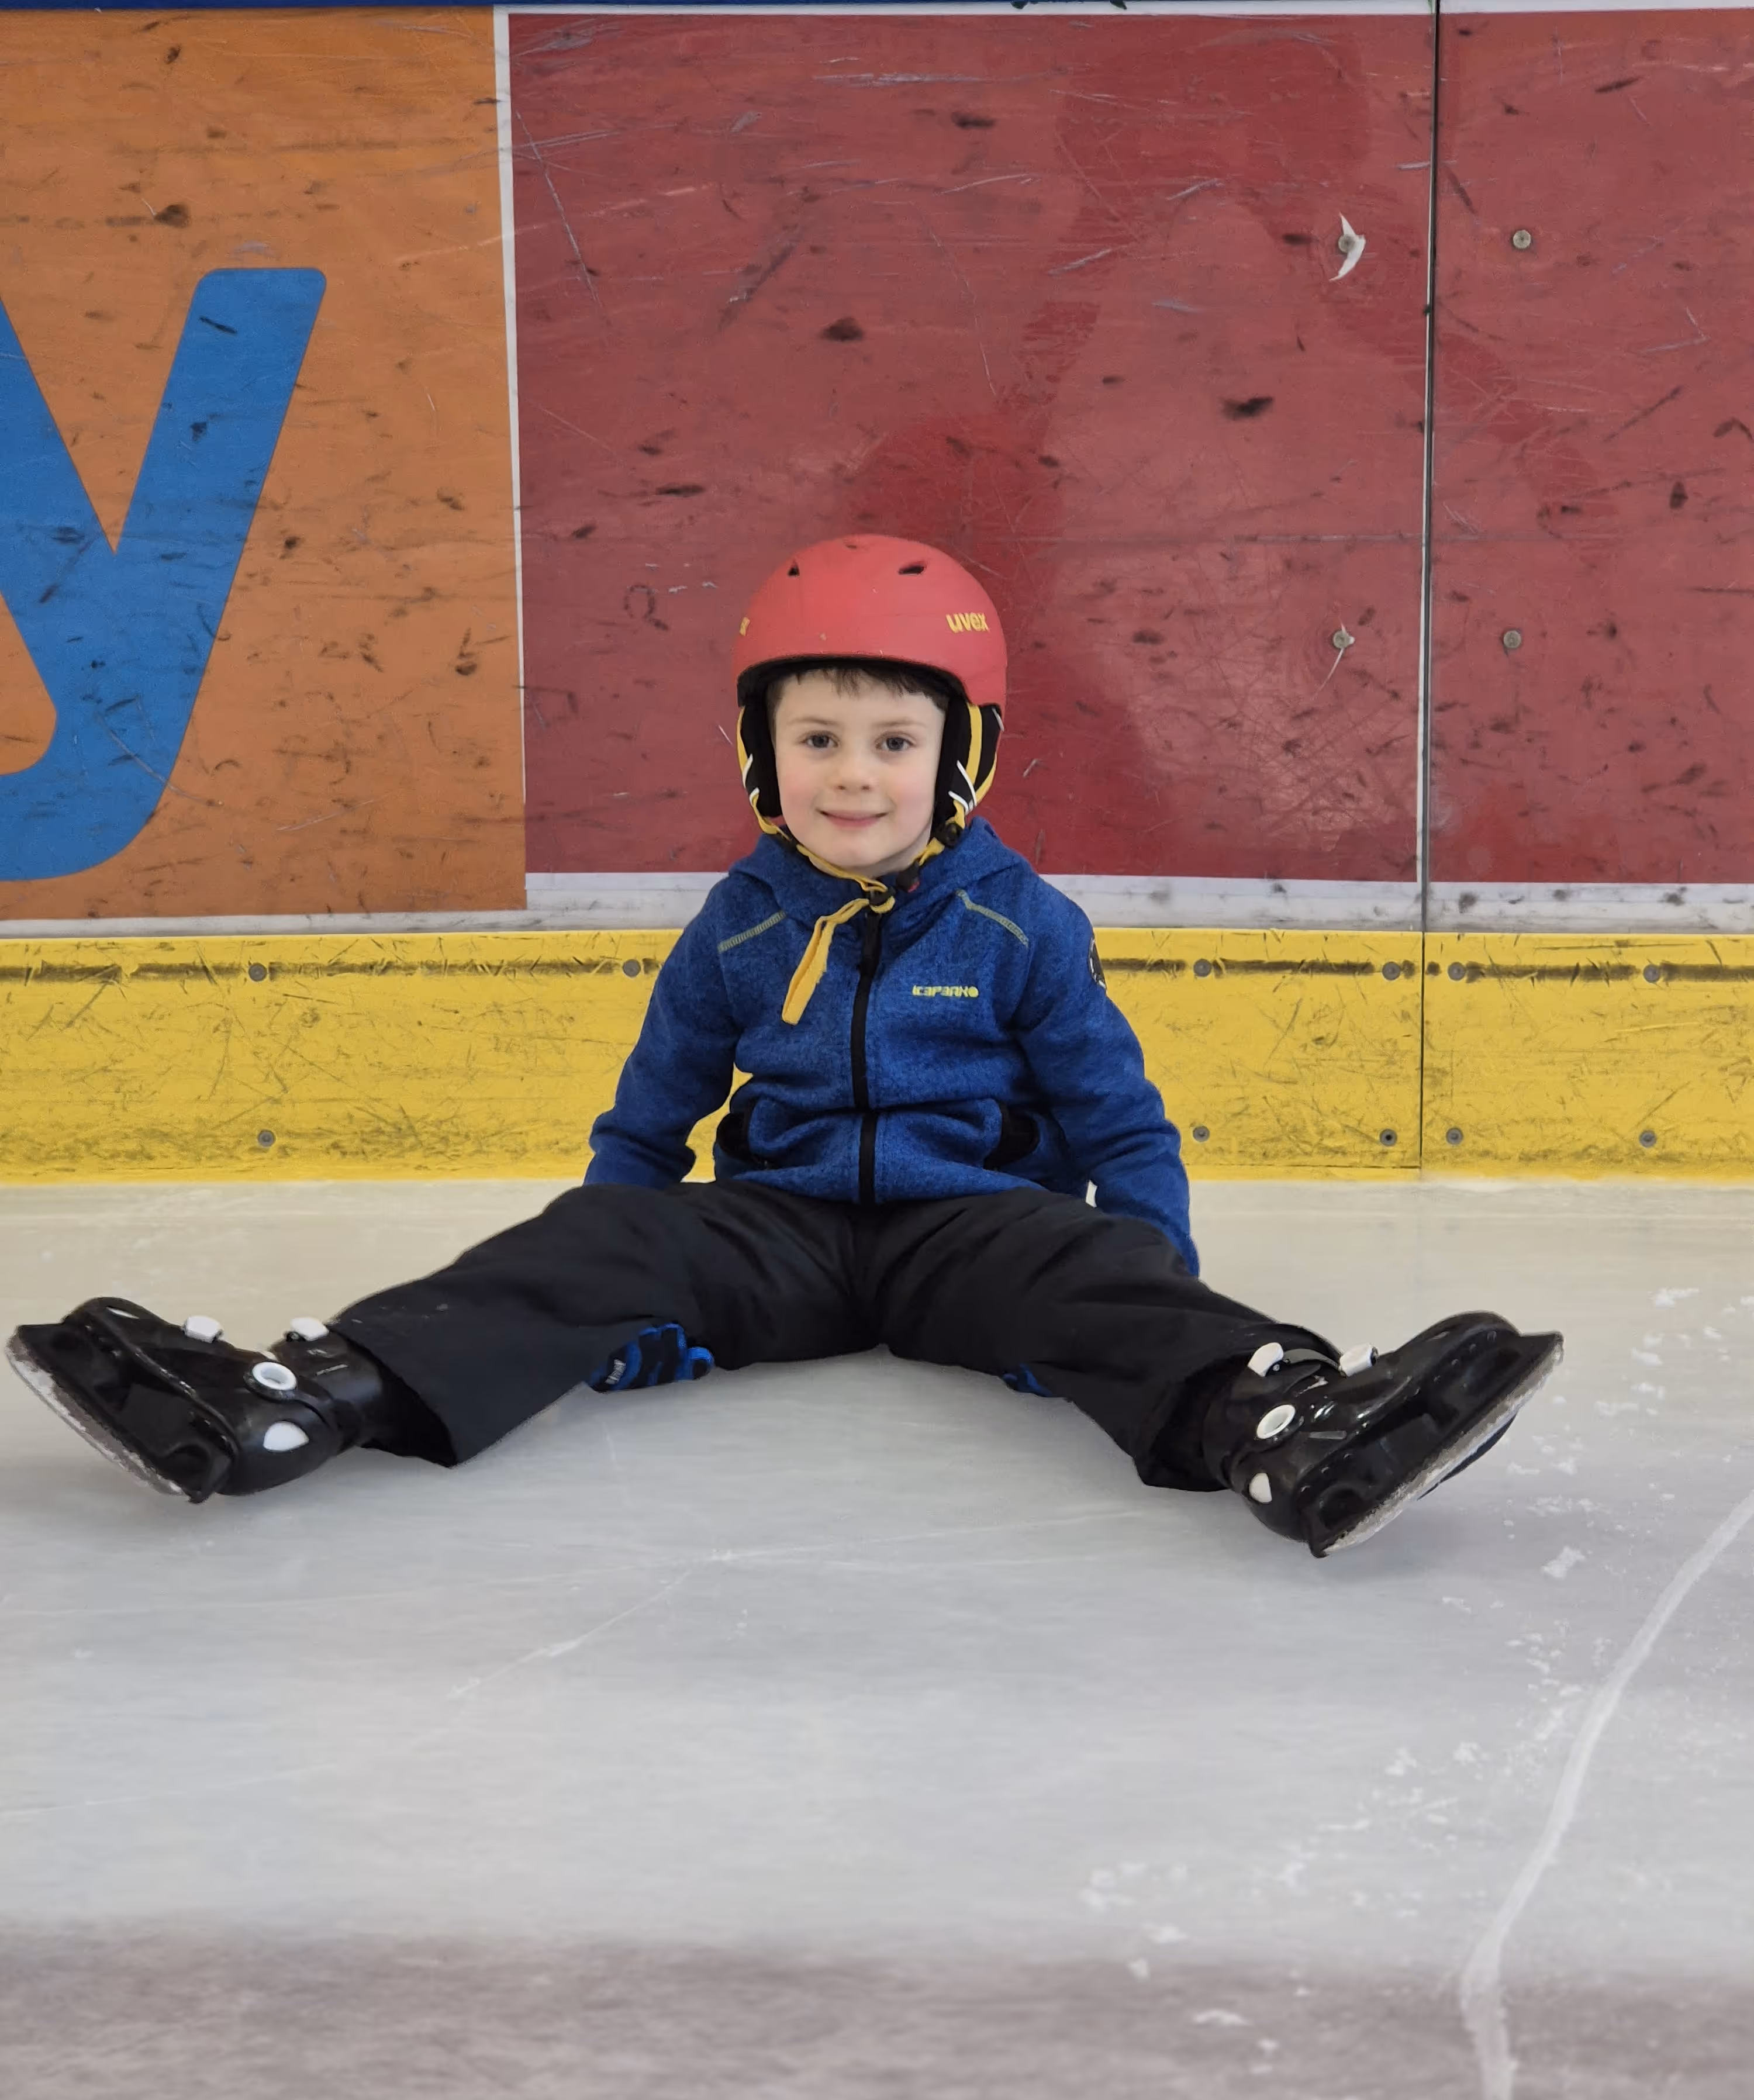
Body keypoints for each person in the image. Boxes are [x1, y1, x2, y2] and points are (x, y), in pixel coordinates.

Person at [9, 536, 1560, 1556]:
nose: (853, 775)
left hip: (972, 1230)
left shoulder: (1026, 925)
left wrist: (1143, 1270)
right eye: (817, 739)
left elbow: (1120, 1120)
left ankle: (1274, 1423)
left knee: (1089, 1271)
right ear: (764, 755)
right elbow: (657, 1107)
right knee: (574, 1245)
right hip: (784, 1234)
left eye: (894, 742)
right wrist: (618, 1251)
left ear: (962, 757)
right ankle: (312, 1401)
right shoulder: (740, 924)